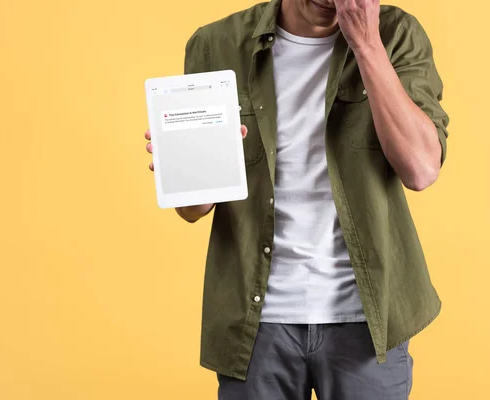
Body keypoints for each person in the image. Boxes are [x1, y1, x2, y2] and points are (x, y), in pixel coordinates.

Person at [144, 0, 449, 398]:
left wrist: (368, 45)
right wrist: (188, 165)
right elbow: (190, 209)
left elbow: (422, 169)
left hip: (368, 323)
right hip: (255, 328)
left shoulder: (394, 34)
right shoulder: (216, 44)